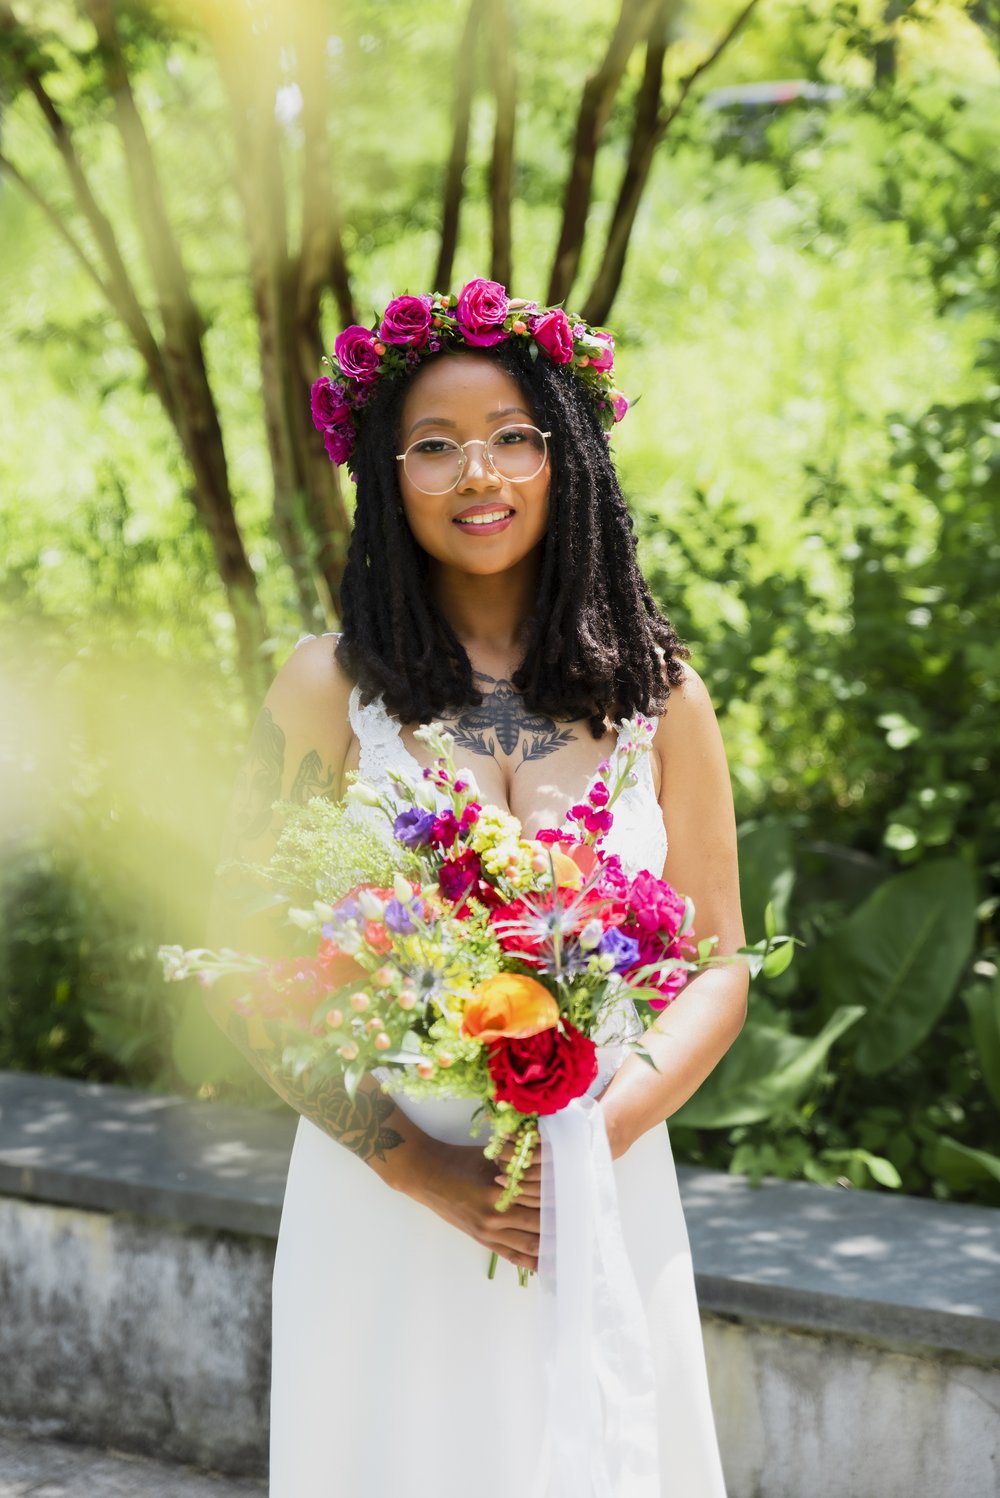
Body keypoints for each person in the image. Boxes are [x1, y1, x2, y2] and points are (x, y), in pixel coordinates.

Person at [208, 281, 747, 1497]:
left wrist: (583, 1150)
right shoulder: (322, 689)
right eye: (435, 446)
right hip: (385, 1201)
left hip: (599, 1191)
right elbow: (236, 967)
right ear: (387, 479)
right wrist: (419, 1166)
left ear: (569, 457)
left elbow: (718, 960)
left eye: (511, 435)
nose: (477, 473)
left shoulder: (666, 698)